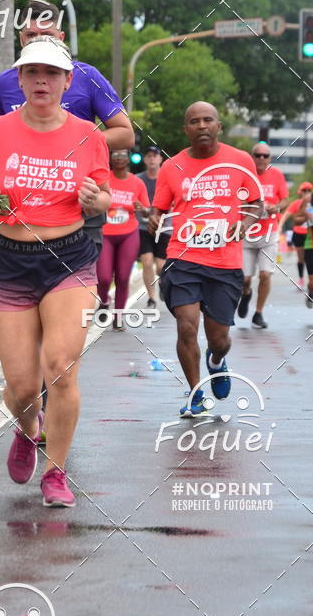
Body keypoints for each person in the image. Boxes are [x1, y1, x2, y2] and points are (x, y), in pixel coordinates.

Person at [0, 37, 111, 506]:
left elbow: (103, 194)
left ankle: (56, 473)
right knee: (23, 387)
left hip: (70, 258)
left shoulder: (89, 134)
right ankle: (28, 428)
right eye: (32, 73)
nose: (41, 80)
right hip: (8, 260)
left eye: (51, 73)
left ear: (66, 82)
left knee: (60, 367)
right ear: (20, 81)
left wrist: (94, 200)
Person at [0, 0, 133, 253]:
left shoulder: (86, 76)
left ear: (61, 36)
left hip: (79, 202)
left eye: (47, 34)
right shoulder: (6, 82)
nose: (39, 40)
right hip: (22, 208)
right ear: (20, 38)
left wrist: (72, 142)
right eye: (31, 34)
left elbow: (125, 133)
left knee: (80, 286)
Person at [149, 102, 263, 417]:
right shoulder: (172, 167)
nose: (201, 125)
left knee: (220, 339)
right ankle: (196, 394)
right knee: (186, 327)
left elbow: (256, 203)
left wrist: (246, 221)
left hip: (224, 264)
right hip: (183, 259)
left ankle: (217, 361)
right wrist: (153, 218)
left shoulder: (240, 161)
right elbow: (159, 207)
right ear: (185, 129)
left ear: (218, 126)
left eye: (207, 120)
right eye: (194, 121)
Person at [96, 149, 150, 329]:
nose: (119, 158)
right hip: (105, 233)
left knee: (123, 276)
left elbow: (147, 212)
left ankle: (118, 318)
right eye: (115, 155)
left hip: (128, 233)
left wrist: (142, 208)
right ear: (110, 158)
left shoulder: (137, 183)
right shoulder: (104, 179)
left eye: (123, 155)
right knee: (103, 277)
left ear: (128, 159)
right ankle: (104, 301)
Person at [237, 143, 288, 328]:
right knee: (245, 278)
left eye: (265, 155)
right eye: (257, 155)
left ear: (270, 158)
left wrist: (277, 207)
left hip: (269, 233)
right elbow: (232, 198)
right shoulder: (243, 174)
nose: (261, 158)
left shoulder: (277, 175)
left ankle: (258, 314)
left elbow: (285, 200)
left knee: (265, 275)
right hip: (247, 233)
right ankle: (245, 294)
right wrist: (243, 203)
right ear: (252, 156)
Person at [136, 145, 171, 308]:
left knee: (160, 266)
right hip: (143, 227)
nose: (152, 159)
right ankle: (151, 297)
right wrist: (140, 209)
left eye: (155, 156)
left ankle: (163, 283)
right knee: (147, 262)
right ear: (144, 159)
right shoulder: (138, 179)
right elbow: (133, 201)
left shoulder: (167, 178)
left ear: (160, 159)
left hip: (164, 227)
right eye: (148, 156)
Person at [279, 181, 313, 288]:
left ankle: (310, 280)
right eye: (304, 190)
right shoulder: (297, 203)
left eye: (308, 190)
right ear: (300, 192)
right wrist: (279, 226)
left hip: (309, 234)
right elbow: (287, 215)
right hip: (299, 233)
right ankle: (301, 279)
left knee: (307, 259)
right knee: (301, 258)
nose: (306, 192)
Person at [290, 190, 313, 308]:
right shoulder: (308, 200)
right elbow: (296, 220)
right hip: (310, 244)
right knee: (312, 282)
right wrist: (306, 216)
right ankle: (311, 291)